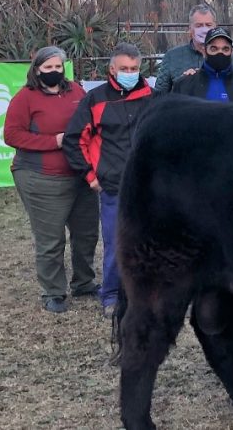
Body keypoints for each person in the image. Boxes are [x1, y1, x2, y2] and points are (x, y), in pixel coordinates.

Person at [4, 46, 99, 314]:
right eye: (48, 68)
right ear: (36, 70)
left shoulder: (77, 92)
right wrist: (53, 141)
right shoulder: (25, 98)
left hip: (81, 175)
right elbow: (11, 135)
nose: (55, 72)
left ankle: (84, 281)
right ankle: (53, 291)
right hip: (41, 177)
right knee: (51, 239)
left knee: (87, 233)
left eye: (59, 67)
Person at [63, 43, 153, 318]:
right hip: (114, 186)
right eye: (124, 68)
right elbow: (74, 139)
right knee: (116, 242)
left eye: (134, 69)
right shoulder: (95, 99)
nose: (129, 73)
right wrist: (91, 177)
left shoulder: (154, 98)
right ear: (111, 69)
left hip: (149, 187)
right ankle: (111, 294)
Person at [174, 27, 233, 104]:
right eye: (214, 49)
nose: (220, 53)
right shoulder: (184, 85)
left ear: (232, 52)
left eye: (225, 49)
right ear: (204, 51)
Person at [154, 4, 216, 93]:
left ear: (215, 27)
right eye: (199, 25)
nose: (204, 30)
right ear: (190, 28)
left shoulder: (231, 57)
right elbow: (159, 96)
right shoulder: (172, 57)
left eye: (208, 25)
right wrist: (182, 84)